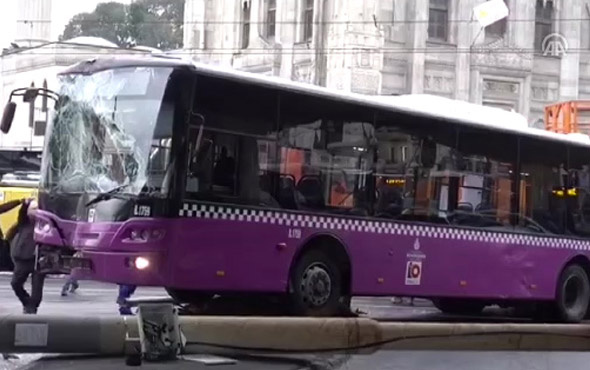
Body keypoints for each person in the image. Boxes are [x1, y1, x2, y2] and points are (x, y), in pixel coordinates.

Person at [8, 199, 45, 314]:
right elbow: (22, 212)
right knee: (15, 283)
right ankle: (26, 302)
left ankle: (32, 308)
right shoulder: (24, 222)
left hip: (39, 260)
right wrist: (24, 203)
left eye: (38, 209)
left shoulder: (44, 224)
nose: (36, 212)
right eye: (33, 209)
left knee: (37, 290)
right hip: (23, 259)